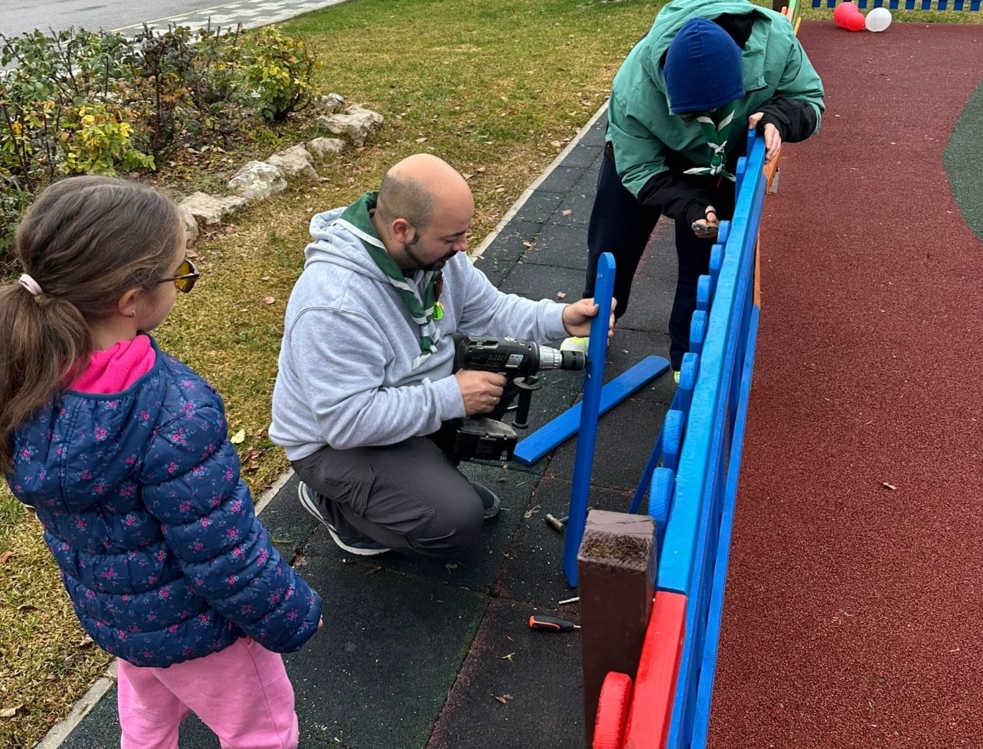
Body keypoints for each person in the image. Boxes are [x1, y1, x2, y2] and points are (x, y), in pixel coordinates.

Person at [0, 176, 322, 749]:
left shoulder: (21, 376)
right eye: (182, 273)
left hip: (124, 621)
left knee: (146, 723)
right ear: (131, 300)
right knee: (263, 731)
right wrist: (292, 613)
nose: (185, 278)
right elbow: (222, 551)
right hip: (204, 630)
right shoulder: (175, 411)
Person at [270, 153, 610, 558]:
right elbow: (347, 421)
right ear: (402, 230)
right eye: (451, 238)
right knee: (453, 522)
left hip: (401, 392)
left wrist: (561, 318)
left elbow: (491, 311)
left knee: (501, 368)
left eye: (463, 234)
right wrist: (451, 396)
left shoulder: (434, 257)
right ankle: (337, 506)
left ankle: (420, 480)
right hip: (333, 443)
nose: (463, 246)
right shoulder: (334, 304)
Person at [575, 0, 824, 377]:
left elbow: (808, 99)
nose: (705, 121)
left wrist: (780, 117)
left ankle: (686, 360)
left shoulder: (776, 42)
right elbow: (639, 167)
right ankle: (591, 323)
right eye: (693, 115)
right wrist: (688, 204)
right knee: (613, 242)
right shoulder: (633, 89)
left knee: (704, 260)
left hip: (721, 158)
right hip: (649, 151)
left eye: (717, 108)